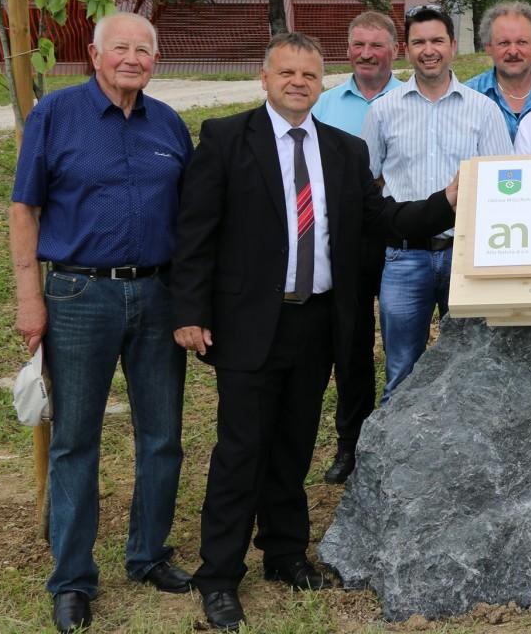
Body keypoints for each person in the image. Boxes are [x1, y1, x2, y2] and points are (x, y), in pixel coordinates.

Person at [171, 32, 457, 632]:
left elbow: (385, 221)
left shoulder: (345, 151)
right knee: (240, 449)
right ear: (265, 77)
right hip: (249, 322)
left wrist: (446, 200)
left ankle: (283, 552)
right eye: (287, 73)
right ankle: (219, 575)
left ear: (320, 82)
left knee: (295, 443)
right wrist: (189, 312)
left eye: (308, 74)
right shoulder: (226, 139)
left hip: (316, 321)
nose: (298, 82)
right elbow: (196, 232)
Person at [10, 12, 194, 633]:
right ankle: (71, 580)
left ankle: (147, 555)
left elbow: (191, 220)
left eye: (145, 49)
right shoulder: (56, 116)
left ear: (156, 61)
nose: (133, 58)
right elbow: (24, 209)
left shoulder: (168, 124)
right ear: (93, 53)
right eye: (121, 47)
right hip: (77, 295)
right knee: (75, 442)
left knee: (162, 436)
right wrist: (29, 298)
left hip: (158, 297)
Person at [362, 6, 512, 404]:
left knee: (471, 367)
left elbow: (505, 185)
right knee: (401, 371)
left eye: (437, 41)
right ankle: (392, 462)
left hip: (466, 258)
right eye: (419, 42)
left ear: (453, 46)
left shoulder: (483, 110)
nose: (429, 50)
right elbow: (369, 180)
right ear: (405, 50)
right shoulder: (382, 111)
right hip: (404, 259)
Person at [311, 10, 402, 485]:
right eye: (358, 45)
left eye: (377, 45)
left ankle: (403, 434)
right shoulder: (323, 105)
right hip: (344, 238)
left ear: (395, 49)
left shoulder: (409, 99)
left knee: (403, 342)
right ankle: (353, 441)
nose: (367, 54)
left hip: (399, 231)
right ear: (346, 49)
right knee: (351, 343)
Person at [466, 0, 531, 141]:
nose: (513, 51)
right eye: (504, 43)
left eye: (521, 42)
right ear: (488, 47)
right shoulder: (469, 96)